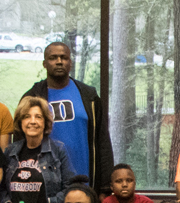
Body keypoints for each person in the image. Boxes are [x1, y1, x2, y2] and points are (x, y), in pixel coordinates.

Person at [22, 41, 115, 189]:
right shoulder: (32, 97)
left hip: (84, 183)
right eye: (53, 58)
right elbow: (20, 144)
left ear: (70, 62)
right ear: (45, 63)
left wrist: (104, 187)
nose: (59, 62)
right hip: (44, 185)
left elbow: (102, 141)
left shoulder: (88, 96)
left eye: (64, 58)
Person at [1, 95, 71, 203]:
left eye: (38, 117)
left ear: (45, 122)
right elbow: (0, 189)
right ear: (20, 122)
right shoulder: (10, 152)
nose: (32, 121)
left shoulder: (58, 150)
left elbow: (71, 189)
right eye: (27, 117)